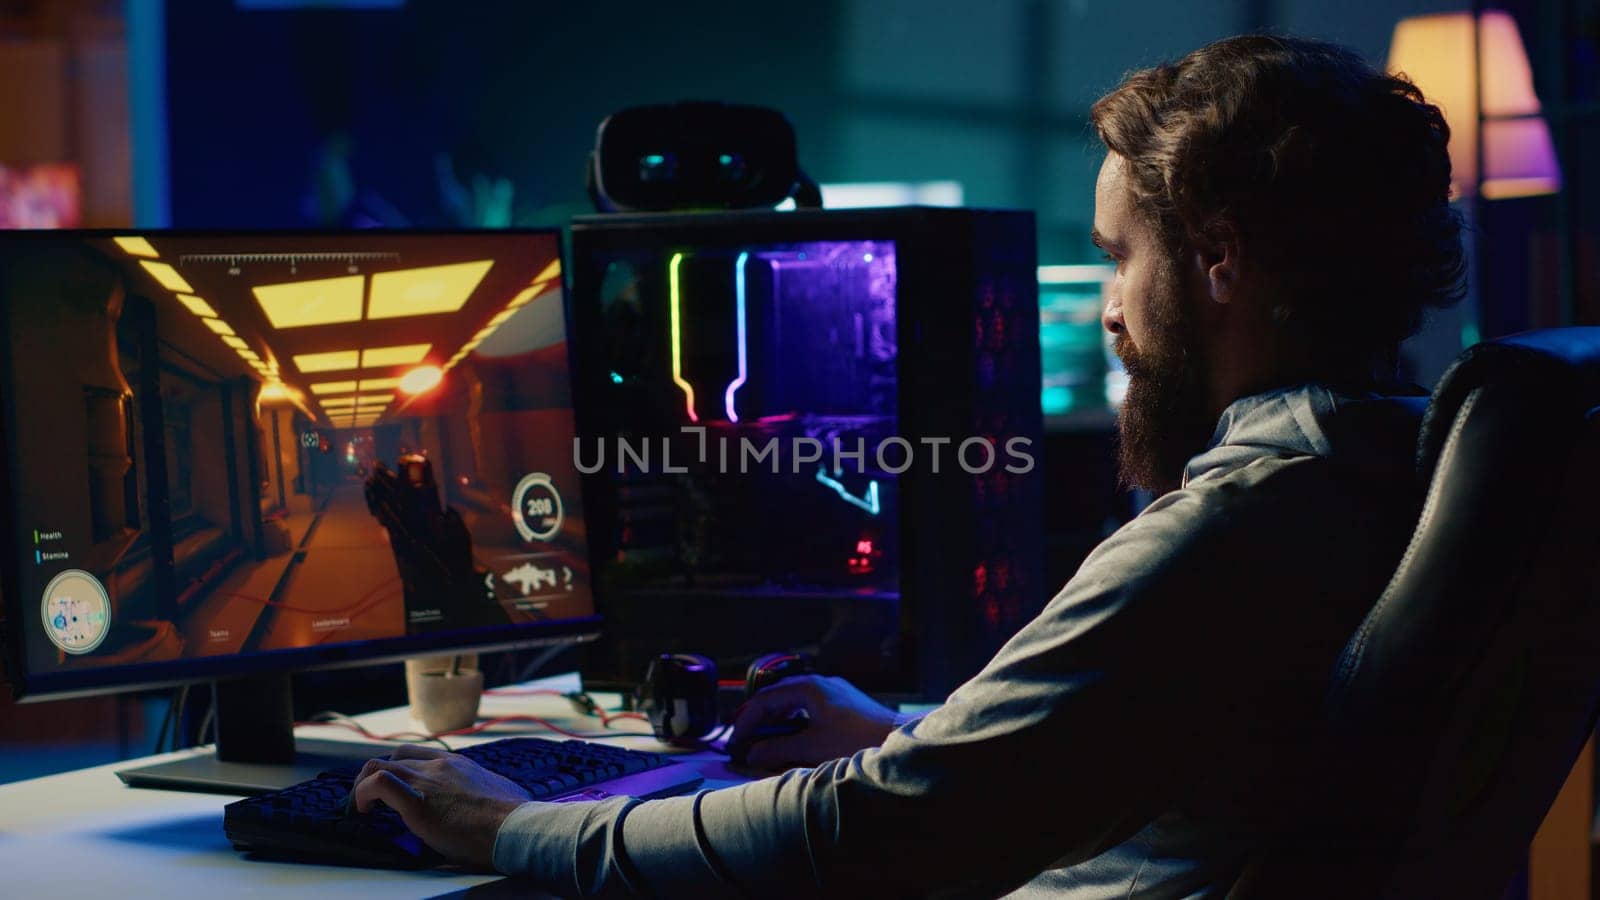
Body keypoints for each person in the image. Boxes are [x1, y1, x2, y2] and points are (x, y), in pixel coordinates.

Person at [349, 34, 1464, 896]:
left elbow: (871, 835)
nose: (1111, 311)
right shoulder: (1399, 469)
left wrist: (503, 823)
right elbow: (1140, 758)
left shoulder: (1241, 520)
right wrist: (904, 738)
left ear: (1217, 257)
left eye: (1120, 258)